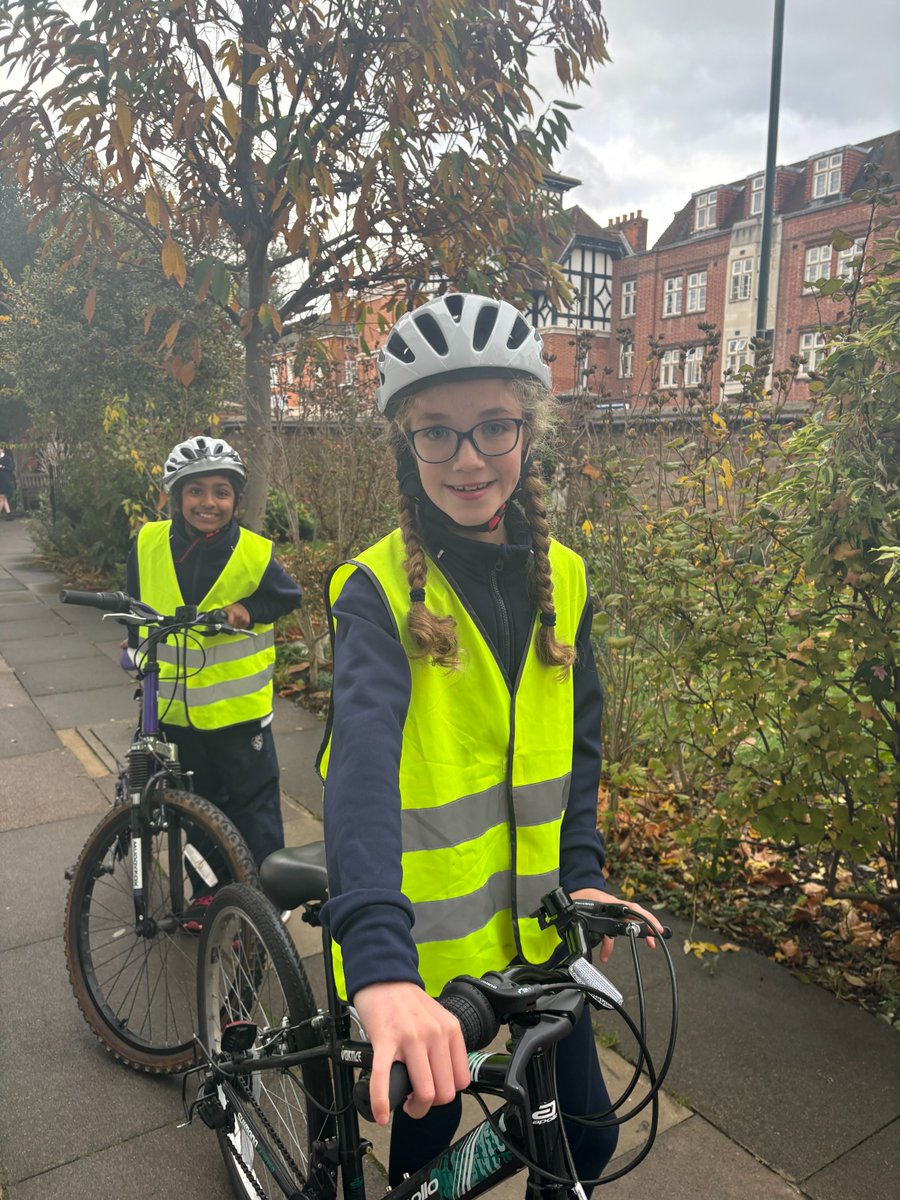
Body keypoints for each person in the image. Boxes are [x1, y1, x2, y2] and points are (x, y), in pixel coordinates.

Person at [318, 294, 664, 1189]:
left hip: (544, 927)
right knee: (427, 1171)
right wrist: (380, 967)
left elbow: (578, 746)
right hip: (424, 954)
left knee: (584, 1140)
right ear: (407, 443)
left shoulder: (568, 577)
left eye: (493, 427)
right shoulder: (375, 590)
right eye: (437, 433)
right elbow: (359, 771)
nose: (468, 460)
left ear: (528, 429)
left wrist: (583, 868)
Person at [125, 435, 301, 926]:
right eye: (196, 491)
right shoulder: (147, 543)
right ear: (176, 497)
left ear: (235, 500)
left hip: (238, 715)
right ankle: (209, 894)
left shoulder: (254, 552)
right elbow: (133, 603)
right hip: (172, 712)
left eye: (221, 491)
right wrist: (131, 644)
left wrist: (249, 609)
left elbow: (288, 597)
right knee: (193, 810)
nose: (209, 503)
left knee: (253, 809)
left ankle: (268, 897)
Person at [0, 445, 15, 516]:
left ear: (2, 450)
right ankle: (9, 514)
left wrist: (2, 467)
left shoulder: (7, 458)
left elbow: (10, 468)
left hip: (5, 480)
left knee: (2, 497)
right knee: (4, 498)